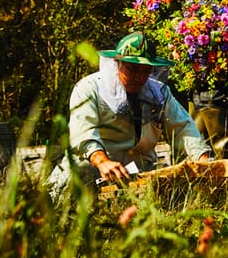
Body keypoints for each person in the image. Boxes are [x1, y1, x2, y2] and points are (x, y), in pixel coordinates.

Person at [47, 31, 212, 201]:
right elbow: (83, 132)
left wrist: (204, 161)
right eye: (132, 69)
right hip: (92, 170)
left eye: (145, 71)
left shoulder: (160, 93)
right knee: (78, 174)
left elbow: (183, 128)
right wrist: (102, 161)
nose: (139, 77)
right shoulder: (89, 88)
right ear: (117, 63)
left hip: (139, 172)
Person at [169, 0, 228, 159]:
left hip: (218, 96)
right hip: (197, 92)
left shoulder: (224, 16)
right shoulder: (189, 11)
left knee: (223, 153)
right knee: (195, 150)